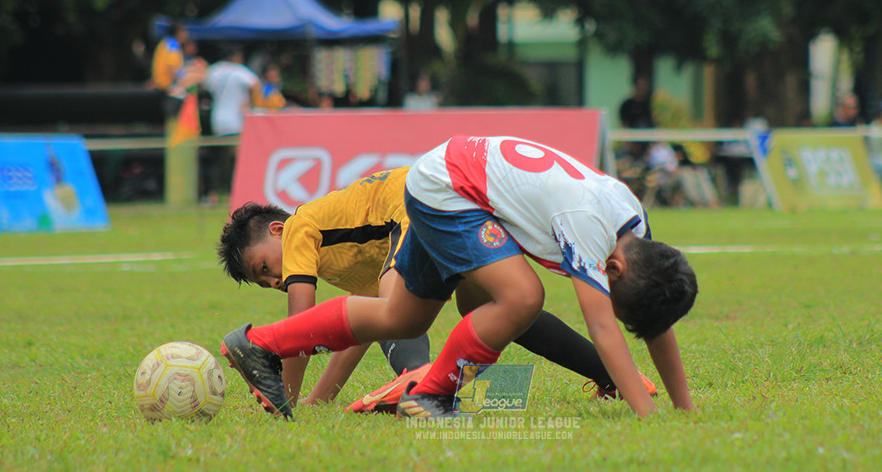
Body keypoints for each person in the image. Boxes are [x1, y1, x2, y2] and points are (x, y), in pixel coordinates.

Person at [220, 135, 697, 420]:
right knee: (521, 295)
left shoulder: (632, 225)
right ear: (613, 268)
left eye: (264, 270)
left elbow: (656, 319)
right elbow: (603, 325)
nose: (273, 281)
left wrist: (684, 408)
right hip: (446, 189)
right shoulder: (589, 225)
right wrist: (647, 415)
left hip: (448, 182)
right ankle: (427, 391)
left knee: (402, 316)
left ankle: (260, 342)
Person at [203, 46, 259, 136]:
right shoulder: (239, 70)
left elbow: (206, 87)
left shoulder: (214, 70)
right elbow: (255, 84)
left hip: (217, 120)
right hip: (236, 120)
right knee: (235, 147)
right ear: (236, 57)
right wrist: (250, 102)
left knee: (220, 148)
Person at [150, 22, 189, 119]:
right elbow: (173, 68)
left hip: (162, 84)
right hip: (167, 85)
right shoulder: (173, 45)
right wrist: (187, 79)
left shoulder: (166, 42)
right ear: (179, 33)